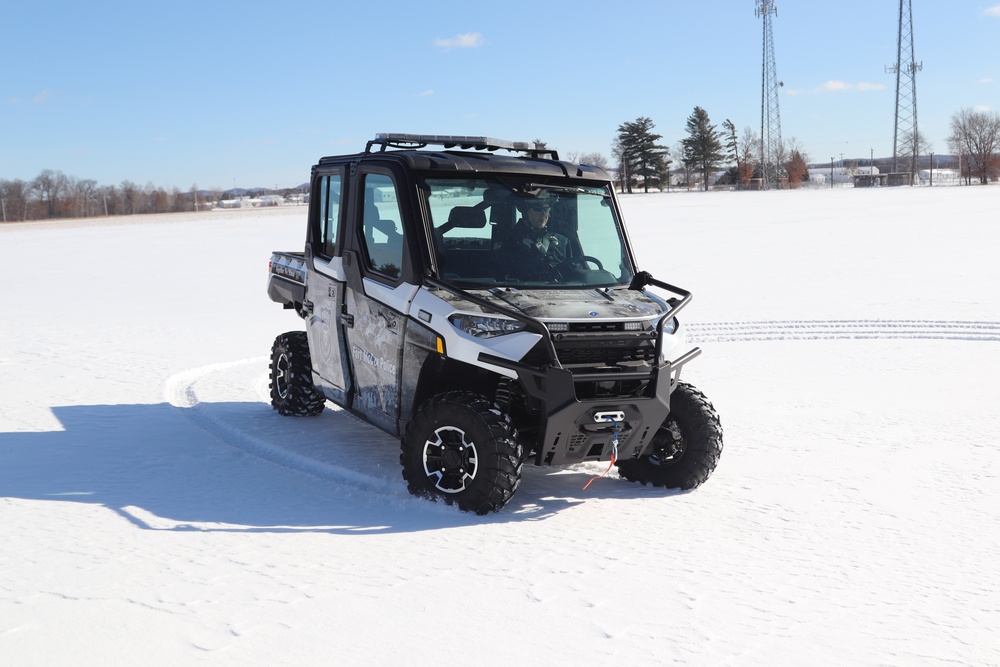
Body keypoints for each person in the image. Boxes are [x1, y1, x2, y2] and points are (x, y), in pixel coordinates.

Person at [504, 197, 570, 280]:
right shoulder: (510, 241)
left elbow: (576, 273)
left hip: (561, 290)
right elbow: (505, 277)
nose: (543, 214)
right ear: (525, 212)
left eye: (547, 210)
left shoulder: (563, 241)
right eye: (538, 209)